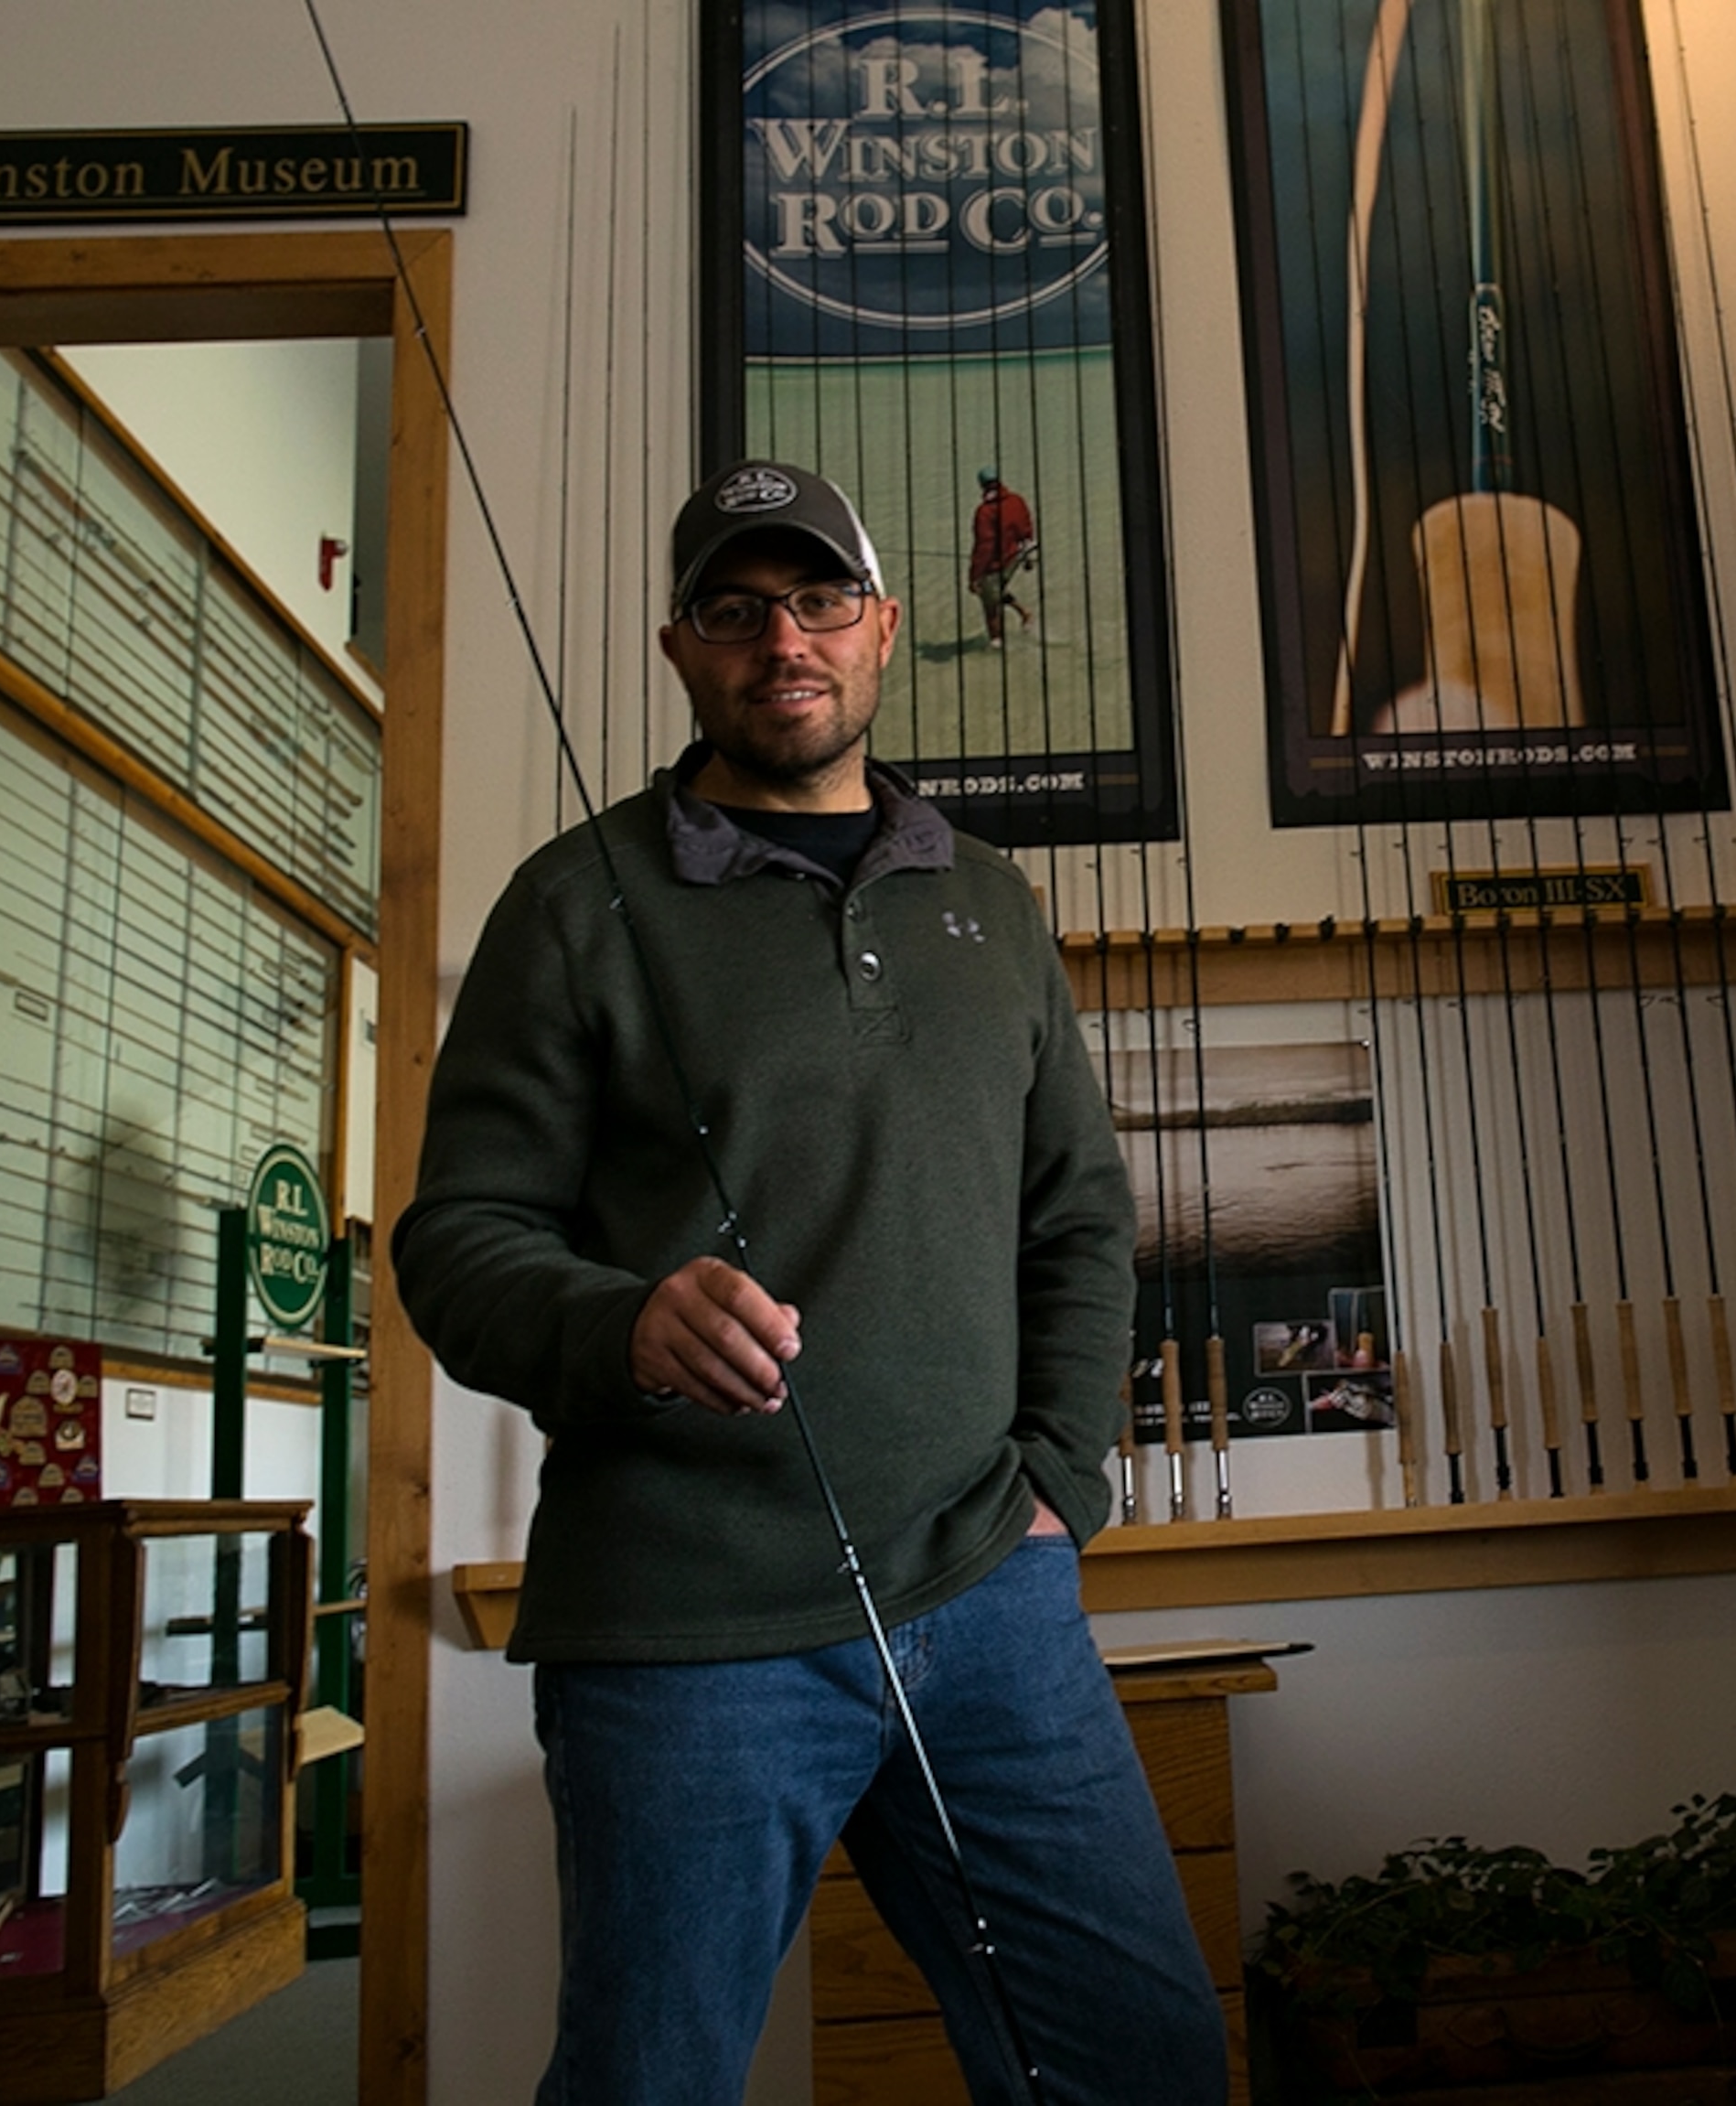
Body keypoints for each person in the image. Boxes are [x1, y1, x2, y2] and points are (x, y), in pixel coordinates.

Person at [392, 459, 1227, 2106]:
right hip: (682, 1632)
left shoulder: (986, 899)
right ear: (678, 645)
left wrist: (1061, 1475)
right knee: (654, 2082)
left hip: (991, 1596)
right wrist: (620, 1320)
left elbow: (1078, 1211)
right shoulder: (568, 904)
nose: (783, 637)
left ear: (882, 627)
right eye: (734, 606)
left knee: (1141, 2061)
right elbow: (457, 1237)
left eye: (818, 598)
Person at [968, 464, 1036, 647]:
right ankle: (1024, 613)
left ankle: (996, 644)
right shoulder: (1017, 501)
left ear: (982, 486)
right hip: (1016, 557)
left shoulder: (984, 512)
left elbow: (984, 546)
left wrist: (974, 576)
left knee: (989, 603)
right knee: (996, 590)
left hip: (996, 562)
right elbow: (1027, 529)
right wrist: (1028, 559)